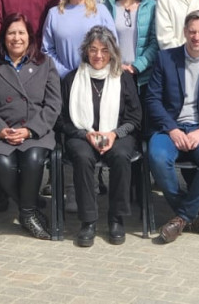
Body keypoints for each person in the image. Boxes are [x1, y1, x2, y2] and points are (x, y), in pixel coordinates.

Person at [0, 13, 63, 240]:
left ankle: (26, 211)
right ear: (3, 36)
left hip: (35, 131)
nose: (16, 38)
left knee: (33, 158)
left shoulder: (45, 63)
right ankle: (29, 209)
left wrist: (31, 130)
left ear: (30, 36)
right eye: (11, 32)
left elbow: (53, 104)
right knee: (3, 162)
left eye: (21, 32)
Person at [145, 10, 199, 244]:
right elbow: (152, 100)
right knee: (157, 156)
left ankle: (182, 217)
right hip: (169, 127)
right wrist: (172, 129)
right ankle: (191, 214)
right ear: (184, 32)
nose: (196, 37)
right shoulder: (165, 59)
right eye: (192, 31)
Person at [56, 26, 143, 247]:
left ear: (112, 53)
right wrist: (86, 134)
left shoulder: (123, 78)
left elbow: (135, 118)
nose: (98, 55)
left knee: (122, 156)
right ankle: (88, 221)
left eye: (104, 50)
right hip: (81, 133)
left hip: (117, 133)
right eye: (93, 50)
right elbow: (62, 119)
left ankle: (116, 218)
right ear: (86, 51)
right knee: (83, 157)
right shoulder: (72, 79)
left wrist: (114, 134)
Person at [42, 0, 117, 78]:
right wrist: (66, 74)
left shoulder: (101, 11)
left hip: (96, 79)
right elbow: (47, 50)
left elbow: (113, 46)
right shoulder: (54, 13)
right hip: (63, 81)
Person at [101, 0, 159, 85]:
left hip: (143, 77)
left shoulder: (151, 6)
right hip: (114, 73)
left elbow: (155, 43)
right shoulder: (108, 6)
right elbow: (102, 40)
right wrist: (115, 64)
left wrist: (136, 66)